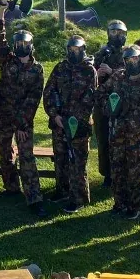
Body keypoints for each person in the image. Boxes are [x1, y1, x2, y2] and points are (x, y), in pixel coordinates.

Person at [0, 21, 46, 215]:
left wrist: (22, 124)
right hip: (2, 115)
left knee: (26, 156)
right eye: (18, 45)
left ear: (31, 46)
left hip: (23, 121)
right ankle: (12, 188)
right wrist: (0, 15)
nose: (21, 48)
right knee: (5, 152)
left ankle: (34, 198)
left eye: (25, 45)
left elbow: (33, 99)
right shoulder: (7, 60)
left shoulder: (37, 69)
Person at [43, 36, 98, 213]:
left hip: (79, 125)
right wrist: (55, 115)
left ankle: (78, 198)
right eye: (70, 50)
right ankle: (62, 190)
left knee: (77, 162)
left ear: (83, 50)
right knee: (60, 159)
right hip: (59, 123)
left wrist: (74, 121)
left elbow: (90, 99)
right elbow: (49, 92)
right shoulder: (60, 68)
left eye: (77, 50)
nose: (73, 53)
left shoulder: (89, 71)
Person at [101, 46, 140, 220]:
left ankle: (135, 206)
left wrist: (122, 111)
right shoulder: (118, 76)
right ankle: (119, 203)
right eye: (128, 61)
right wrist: (108, 108)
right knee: (117, 170)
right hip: (117, 134)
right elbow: (101, 92)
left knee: (135, 172)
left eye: (135, 60)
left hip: (137, 137)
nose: (132, 64)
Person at [93, 19, 128, 187]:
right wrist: (97, 75)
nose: (118, 36)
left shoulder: (130, 53)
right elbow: (91, 77)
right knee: (103, 138)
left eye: (121, 33)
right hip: (102, 103)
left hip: (123, 103)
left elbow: (132, 75)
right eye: (114, 32)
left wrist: (111, 71)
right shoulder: (101, 53)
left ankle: (121, 172)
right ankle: (107, 174)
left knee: (120, 140)